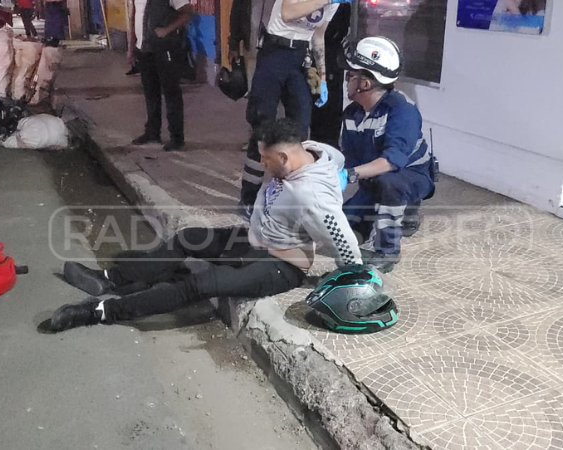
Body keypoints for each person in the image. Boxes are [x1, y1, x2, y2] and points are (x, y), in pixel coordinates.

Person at [48, 119, 363, 332]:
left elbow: (342, 239)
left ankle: (101, 311)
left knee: (200, 285)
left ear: (283, 157)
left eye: (265, 159)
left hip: (280, 265)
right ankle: (109, 279)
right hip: (256, 239)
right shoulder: (312, 151)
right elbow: (335, 159)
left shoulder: (311, 196)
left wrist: (355, 276)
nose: (262, 164)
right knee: (187, 239)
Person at [236, 0, 355, 216]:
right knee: (262, 126)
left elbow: (318, 35)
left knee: (300, 129)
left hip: (300, 57)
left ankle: (289, 196)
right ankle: (248, 198)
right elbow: (287, 12)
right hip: (274, 53)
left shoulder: (334, 4)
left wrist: (322, 78)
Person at [338, 36, 434, 273]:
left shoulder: (402, 110)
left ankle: (388, 250)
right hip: (374, 180)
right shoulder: (352, 114)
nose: (346, 80)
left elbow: (392, 161)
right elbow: (350, 156)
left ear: (365, 83)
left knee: (390, 183)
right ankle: (382, 214)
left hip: (411, 175)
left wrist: (350, 174)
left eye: (351, 75)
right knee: (342, 229)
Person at [127, 0, 194, 151]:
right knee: (150, 93)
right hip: (144, 50)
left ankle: (176, 138)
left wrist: (167, 30)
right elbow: (134, 16)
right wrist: (131, 48)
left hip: (165, 49)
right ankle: (152, 132)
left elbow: (188, 13)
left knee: (171, 93)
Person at [308, 3, 350, 148]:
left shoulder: (341, 5)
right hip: (312, 51)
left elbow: (338, 30)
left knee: (328, 111)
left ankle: (325, 149)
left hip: (330, 54)